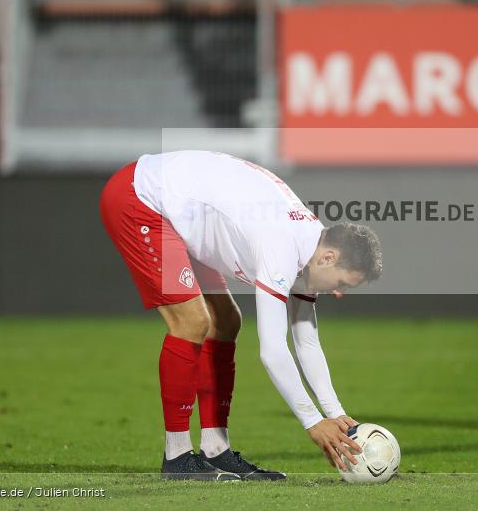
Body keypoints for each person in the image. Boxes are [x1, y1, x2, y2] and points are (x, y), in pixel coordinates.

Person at [99, 150, 382, 480]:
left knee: (226, 322)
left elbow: (306, 342)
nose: (339, 293)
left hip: (183, 210)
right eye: (343, 284)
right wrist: (313, 422)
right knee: (192, 321)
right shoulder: (282, 243)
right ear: (329, 259)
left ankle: (215, 449)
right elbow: (273, 351)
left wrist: (337, 415)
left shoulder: (315, 246)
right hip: (141, 197)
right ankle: (176, 457)